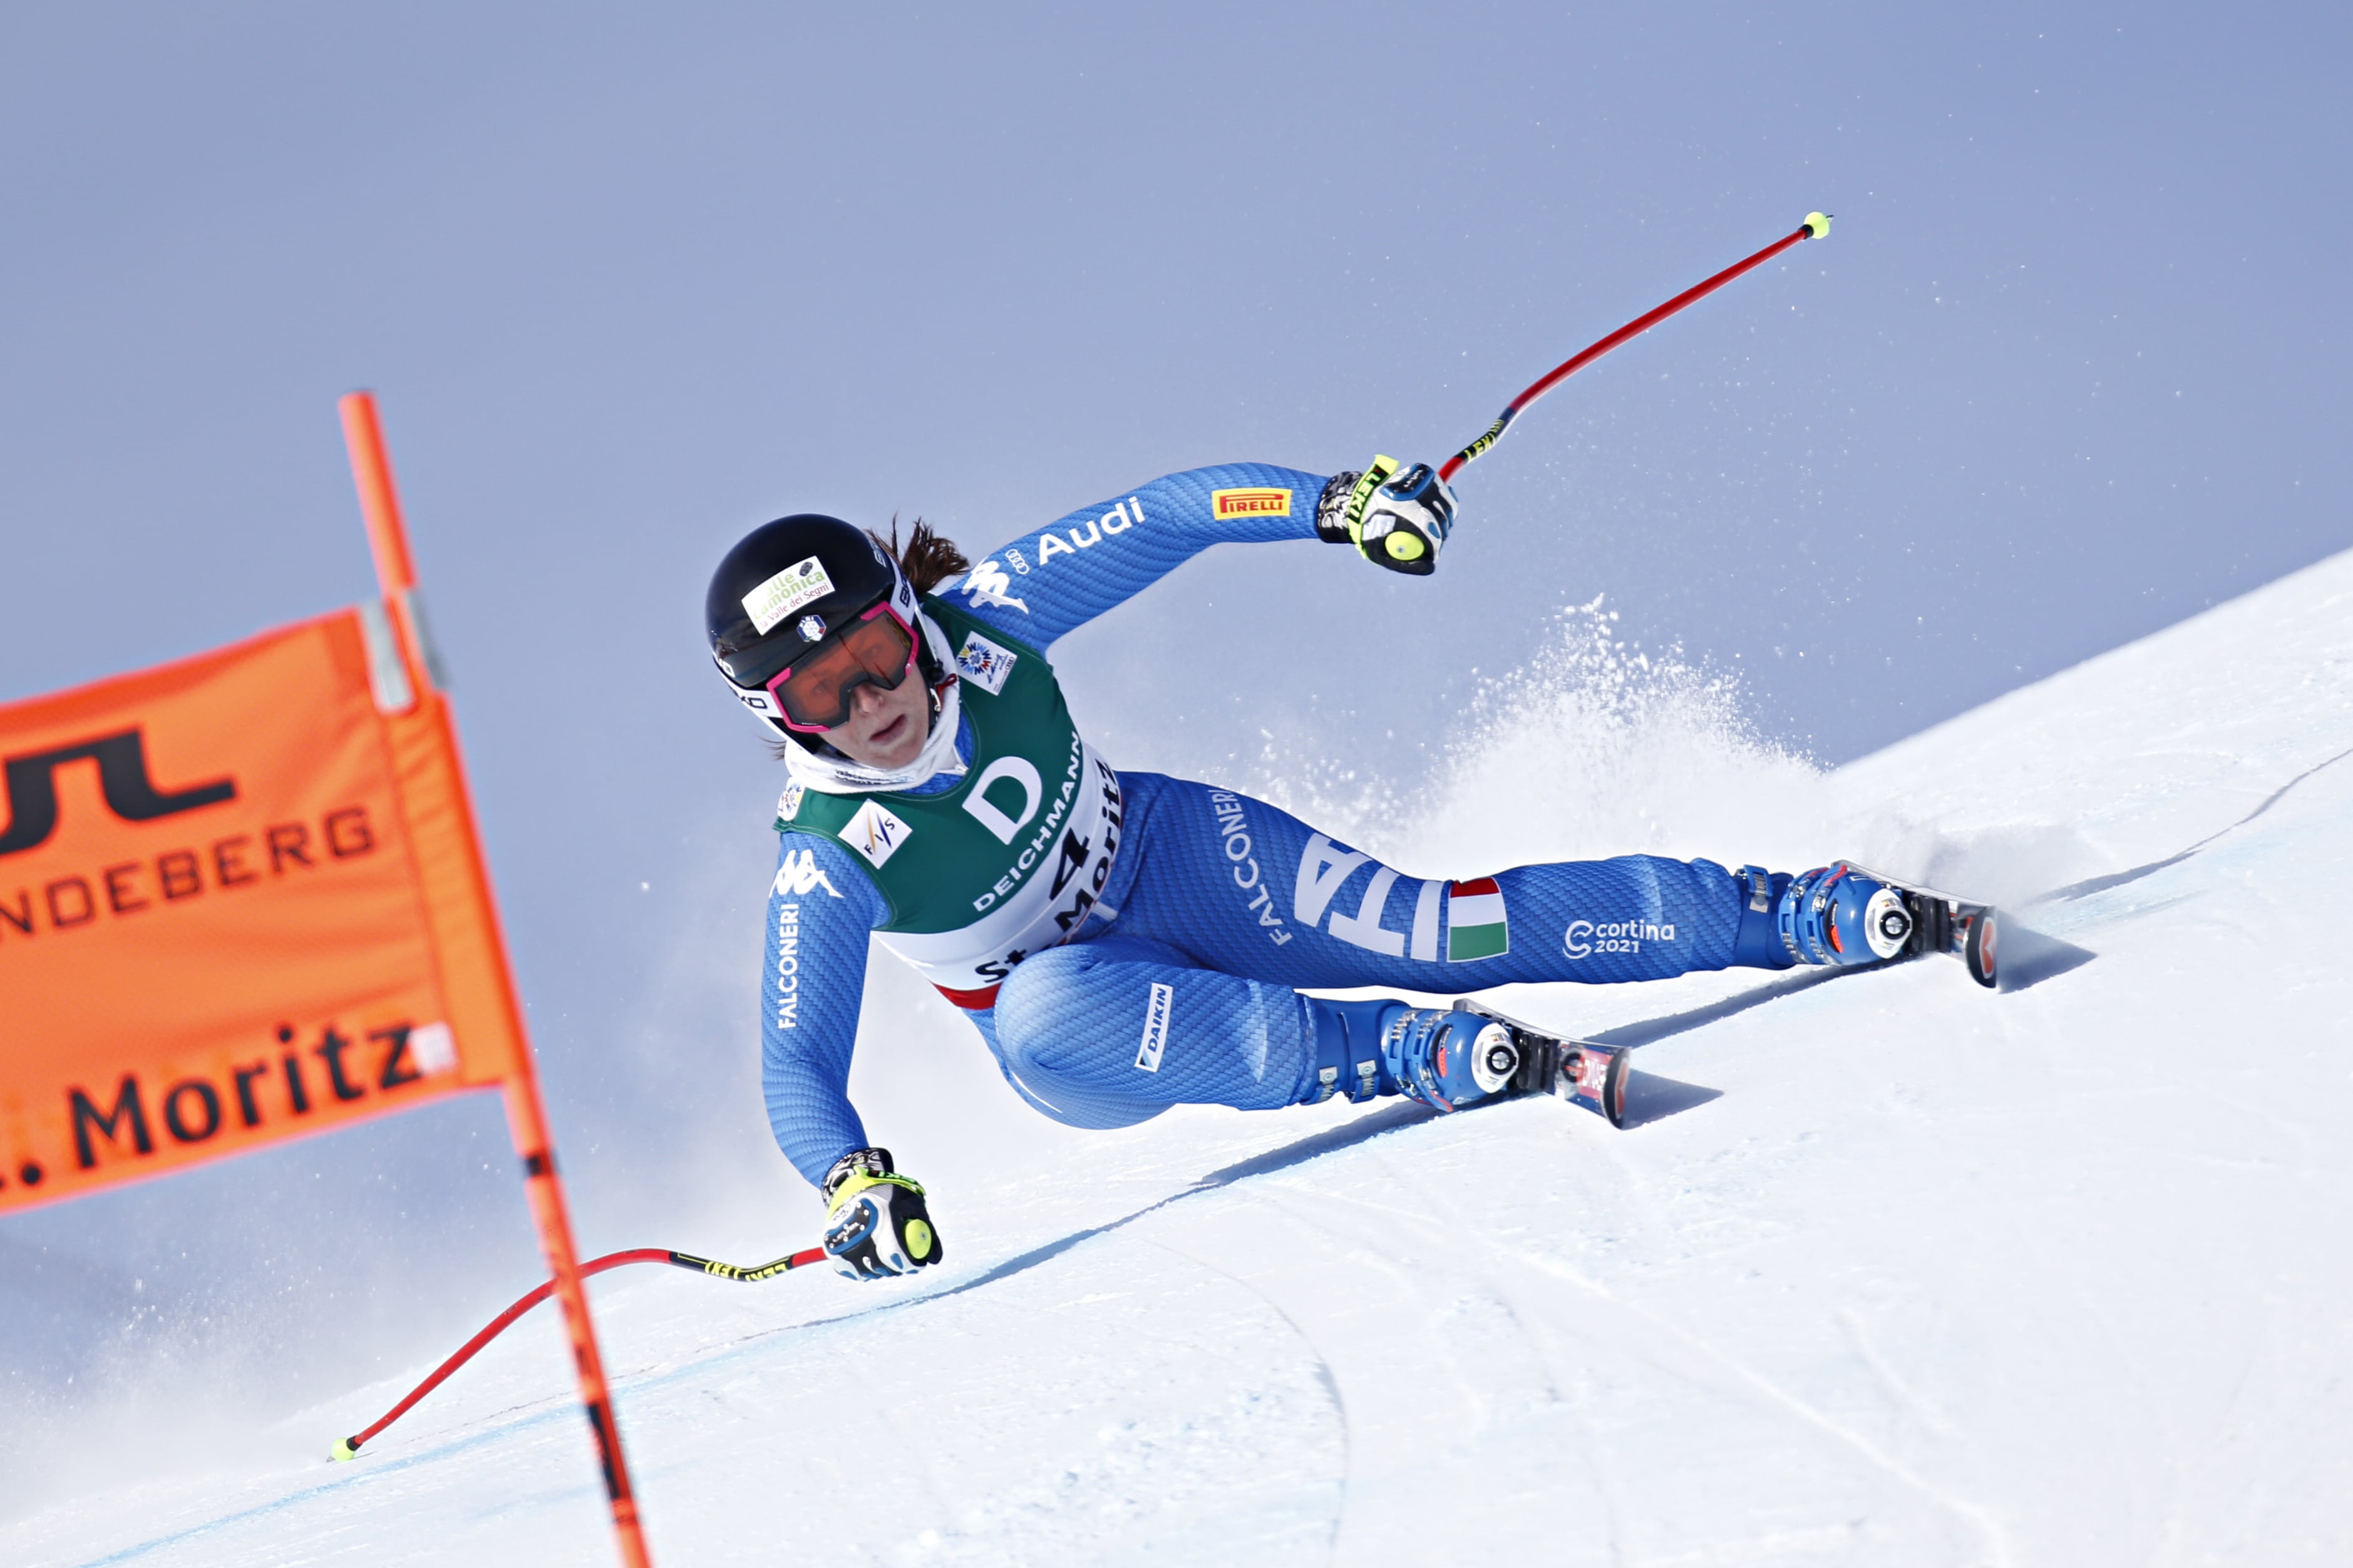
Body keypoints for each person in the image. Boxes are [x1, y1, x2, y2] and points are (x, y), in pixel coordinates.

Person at [704, 458, 1920, 1281]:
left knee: (1444, 928)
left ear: (905, 617)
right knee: (1040, 1009)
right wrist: (849, 1179)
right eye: (823, 691)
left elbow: (1164, 514)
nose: (871, 700)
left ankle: (1800, 910)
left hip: (1170, 854)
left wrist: (1333, 503)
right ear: (783, 717)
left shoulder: (988, 619)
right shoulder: (825, 853)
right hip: (1091, 1026)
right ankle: (1398, 1051)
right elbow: (795, 1057)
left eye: (871, 648)